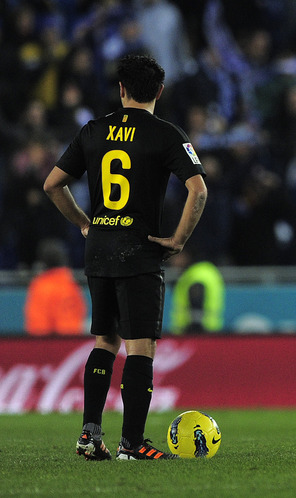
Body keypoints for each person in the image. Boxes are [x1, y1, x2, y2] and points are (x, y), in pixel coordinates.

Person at [43, 54, 207, 460]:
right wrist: (178, 239)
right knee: (140, 348)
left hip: (98, 249)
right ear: (159, 92)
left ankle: (89, 437)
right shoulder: (166, 134)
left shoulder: (94, 130)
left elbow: (52, 184)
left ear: (121, 90)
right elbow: (199, 190)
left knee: (105, 342)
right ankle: (132, 443)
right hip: (140, 251)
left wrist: (85, 223)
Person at [24, 238, 87, 336]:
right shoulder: (71, 285)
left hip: (44, 344)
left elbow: (37, 325)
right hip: (70, 342)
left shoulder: (39, 286)